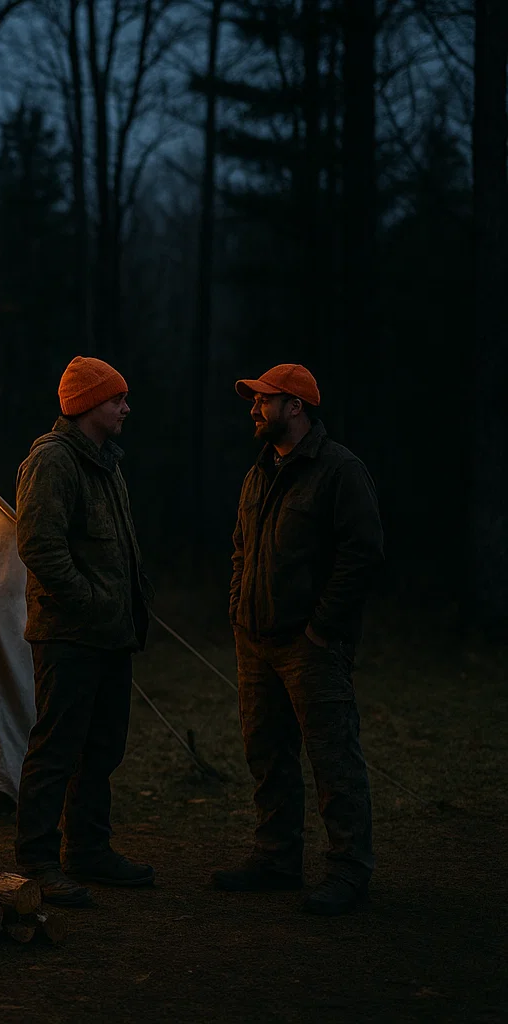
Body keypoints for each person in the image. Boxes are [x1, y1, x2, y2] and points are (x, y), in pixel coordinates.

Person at [212, 364, 384, 916]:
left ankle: (349, 872)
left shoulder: (340, 471)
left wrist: (321, 628)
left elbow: (362, 554)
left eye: (265, 401)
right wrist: (239, 608)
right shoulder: (258, 473)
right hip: (255, 640)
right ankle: (277, 858)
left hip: (309, 646)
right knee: (267, 754)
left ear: (296, 407)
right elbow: (241, 546)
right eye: (255, 400)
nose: (254, 409)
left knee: (333, 758)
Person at [13, 356, 154, 908]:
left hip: (109, 635)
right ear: (90, 404)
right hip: (69, 635)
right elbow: (40, 547)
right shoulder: (52, 462)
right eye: (117, 399)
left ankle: (89, 851)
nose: (125, 408)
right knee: (56, 748)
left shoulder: (106, 464)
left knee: (102, 748)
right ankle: (38, 859)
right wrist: (90, 604)